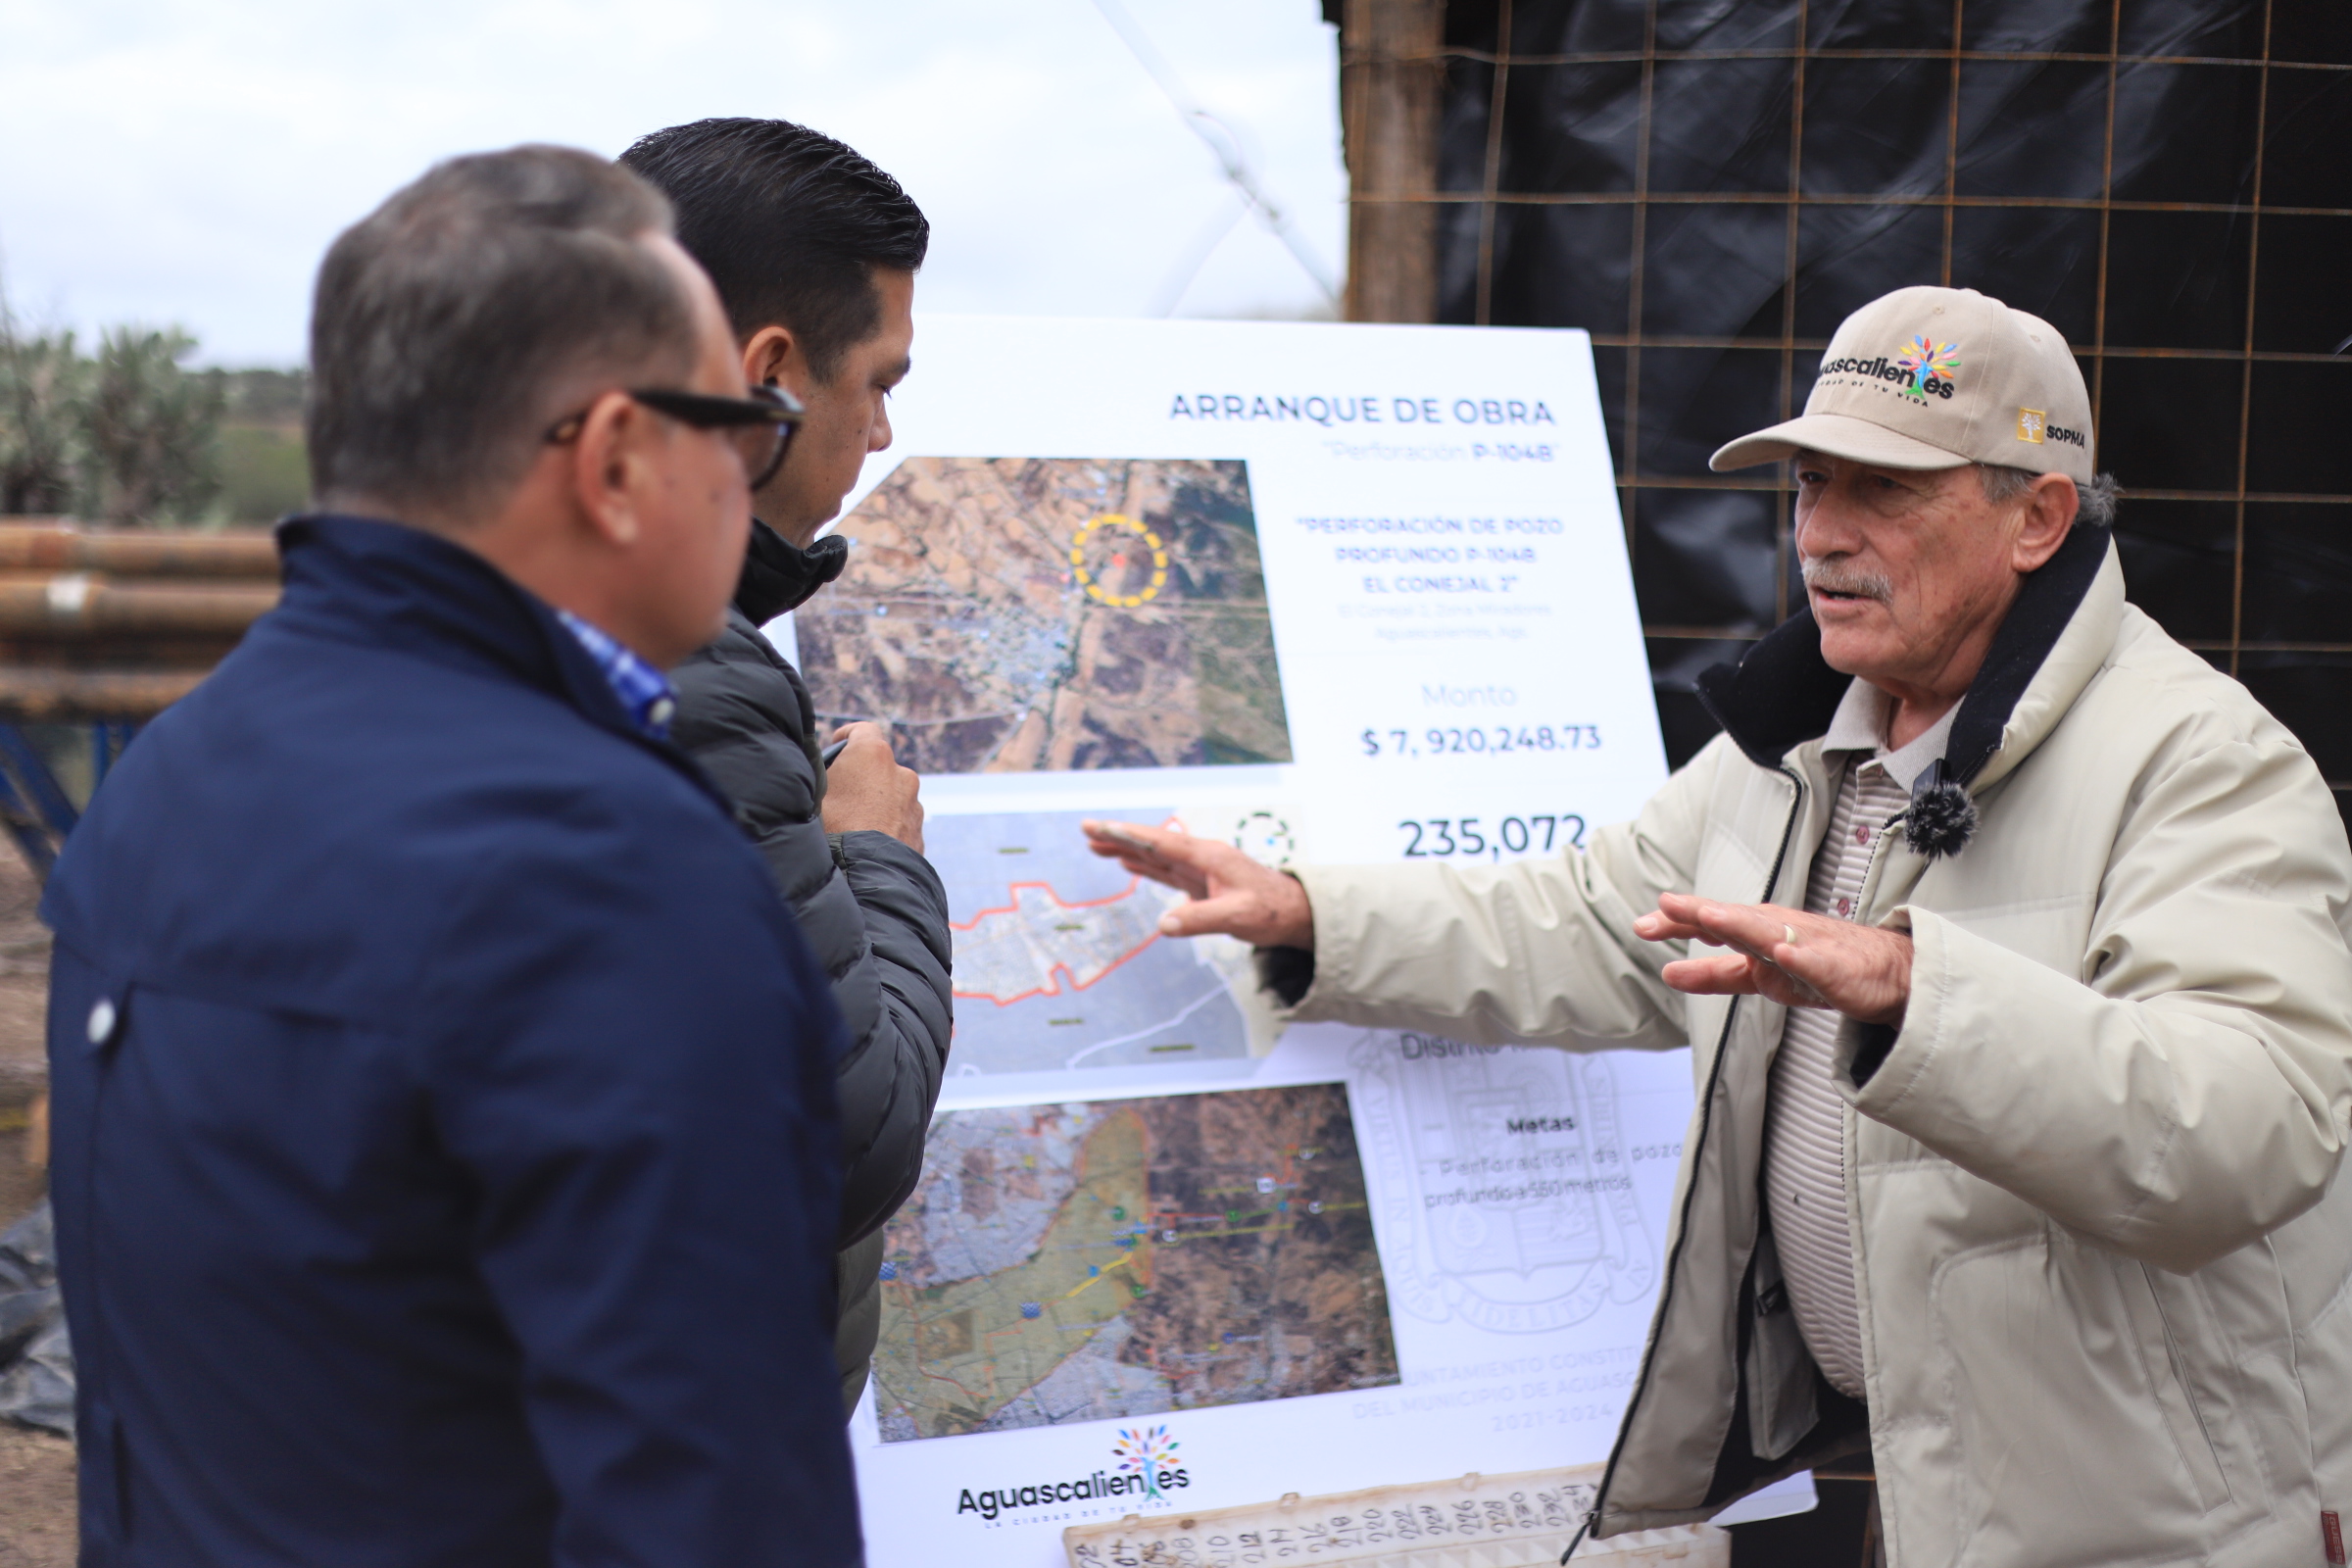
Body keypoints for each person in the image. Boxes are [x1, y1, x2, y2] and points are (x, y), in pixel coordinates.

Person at [1086, 285, 2352, 1566]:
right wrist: (1310, 914)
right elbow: (1594, 920)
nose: (1824, 537)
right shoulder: (1794, 742)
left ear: (2038, 518)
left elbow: (2253, 1127)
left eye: (1886, 491)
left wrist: (1914, 991)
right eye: (1810, 485)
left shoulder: (2200, 762)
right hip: (1901, 1479)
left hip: (2146, 1523)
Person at [42, 146, 861, 1566]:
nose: (749, 478)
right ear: (617, 461)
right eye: (738, 427)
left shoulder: (169, 772)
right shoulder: (611, 875)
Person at [618, 118, 952, 1414]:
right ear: (767, 377)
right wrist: (874, 856)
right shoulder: (686, 665)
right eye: (877, 381)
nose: (880, 433)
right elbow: (841, 1145)